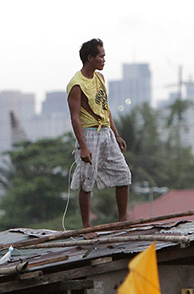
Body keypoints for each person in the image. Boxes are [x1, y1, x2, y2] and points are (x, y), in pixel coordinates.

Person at [67, 38, 131, 236]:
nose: (104, 60)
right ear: (90, 58)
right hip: (89, 133)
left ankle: (122, 221)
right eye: (101, 56)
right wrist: (83, 146)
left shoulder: (100, 78)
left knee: (123, 175)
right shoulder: (76, 85)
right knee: (87, 179)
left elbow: (105, 108)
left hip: (106, 132)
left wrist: (116, 133)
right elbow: (75, 118)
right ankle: (86, 226)